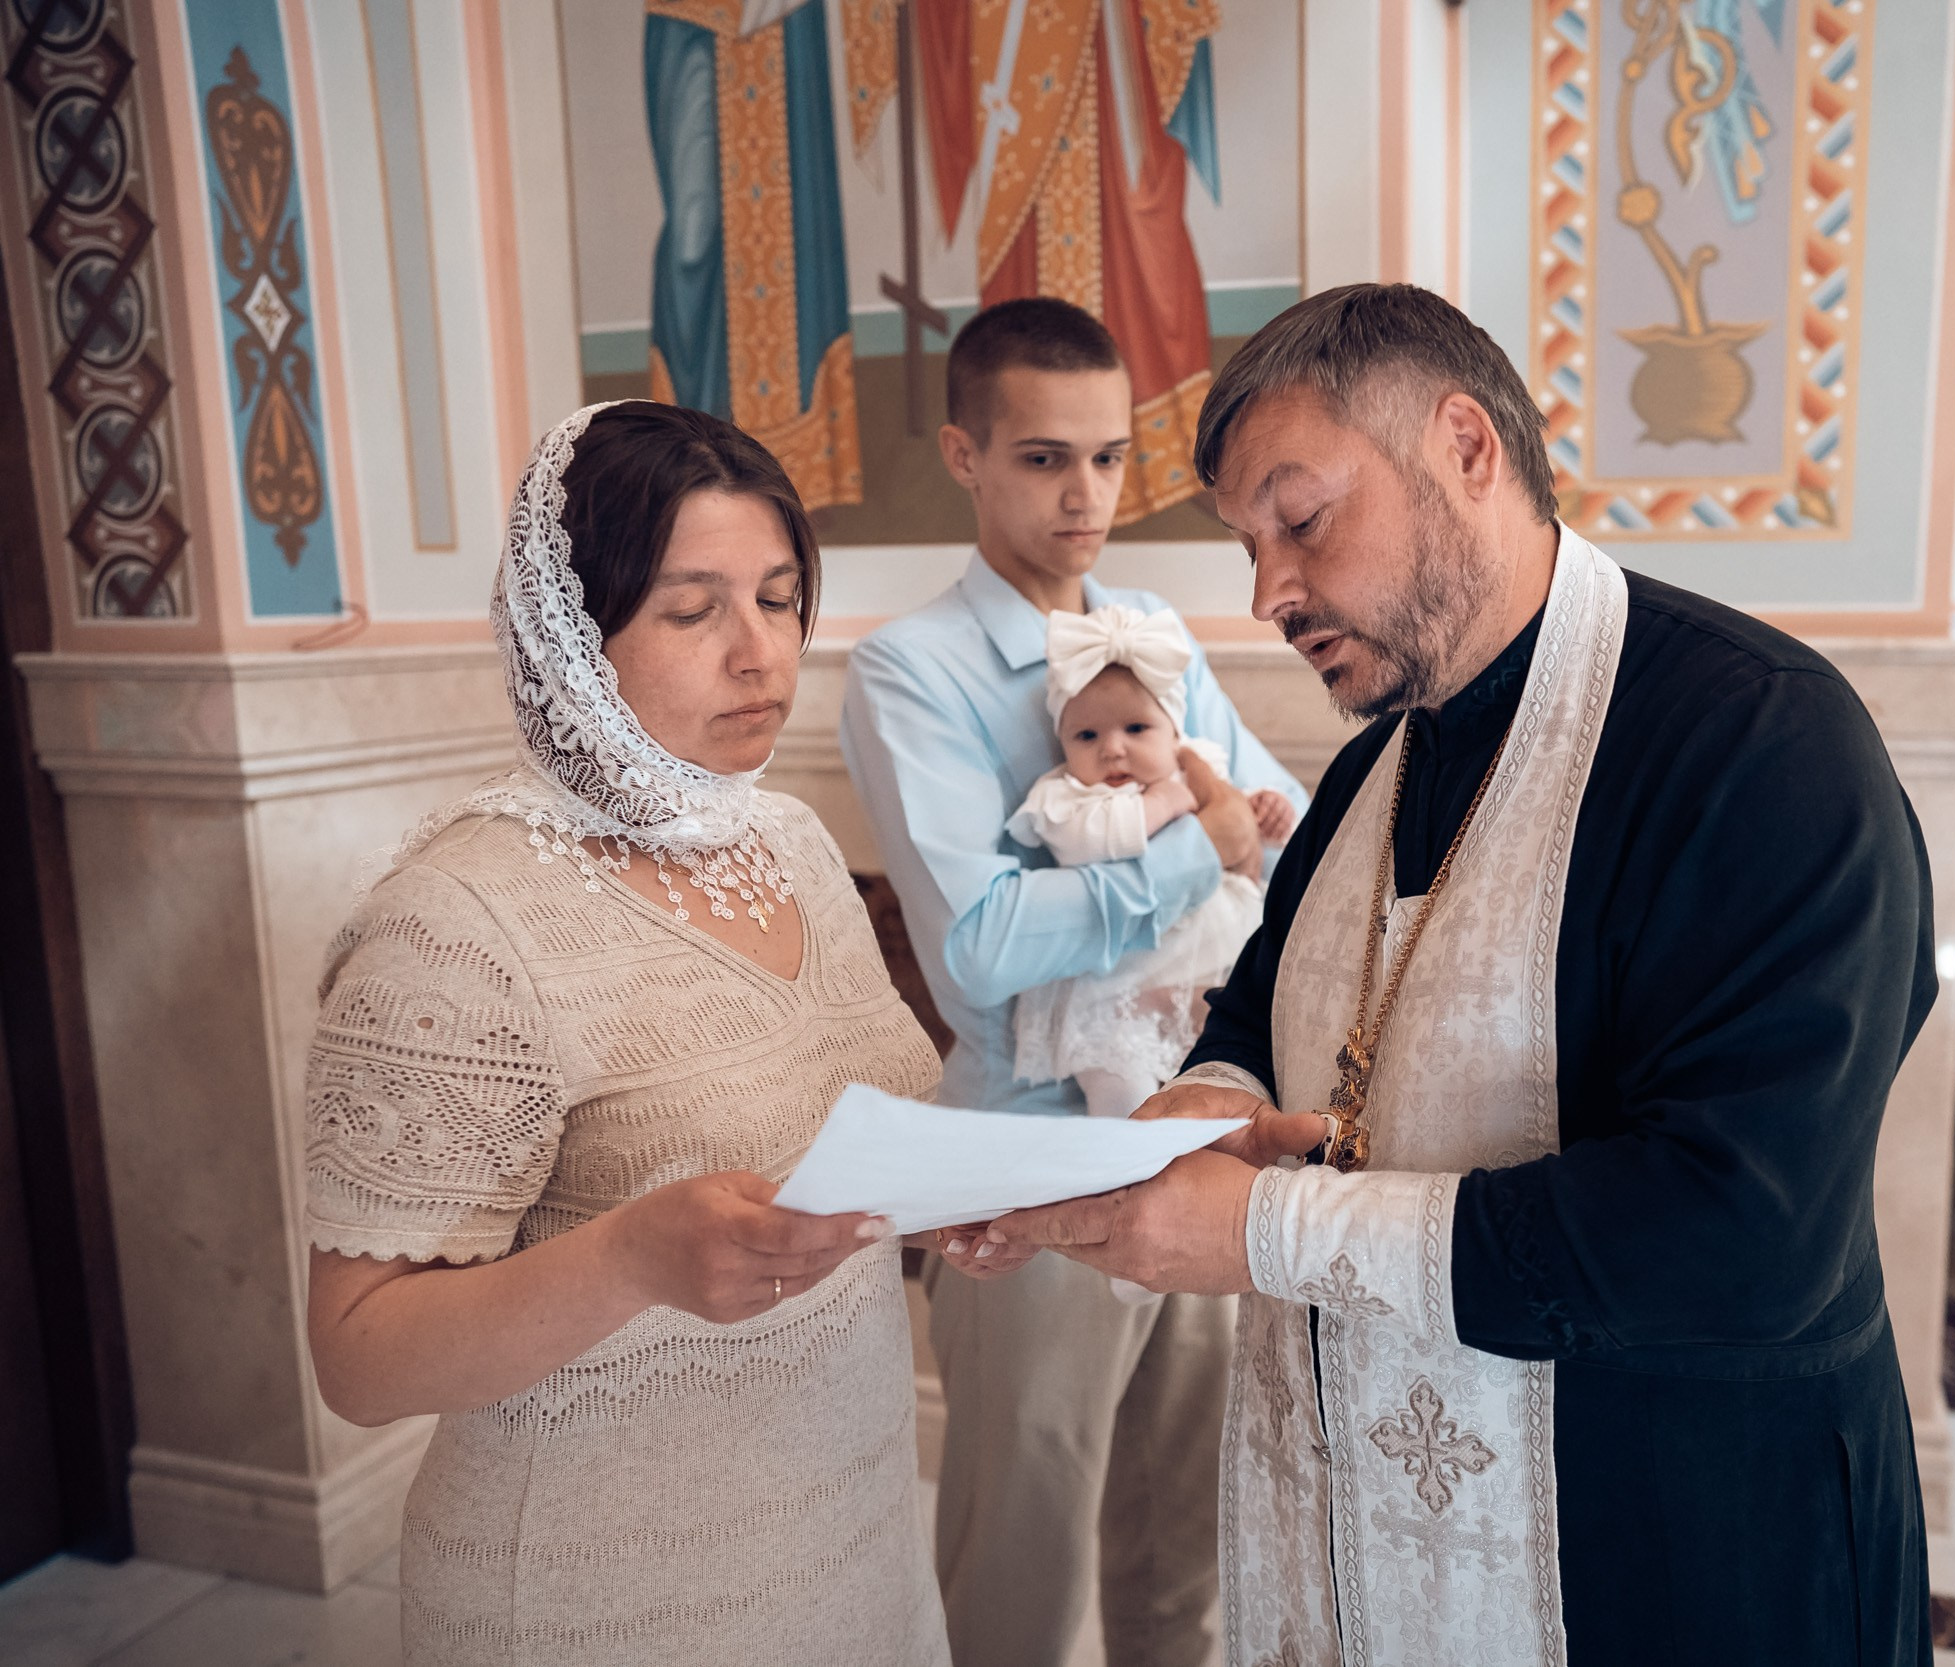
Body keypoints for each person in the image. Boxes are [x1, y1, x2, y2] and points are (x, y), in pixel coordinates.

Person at [957, 283, 1938, 1664]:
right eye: (1249, 545)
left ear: (1466, 447)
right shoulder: (1375, 766)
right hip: (1370, 1532)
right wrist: (1205, 1105)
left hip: (1676, 1542)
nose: (1269, 593)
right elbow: (1261, 1008)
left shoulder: (1758, 742)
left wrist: (1265, 1230)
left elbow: (1743, 1229)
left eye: (1300, 519)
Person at [301, 402, 947, 1665]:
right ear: (572, 636)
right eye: (692, 610)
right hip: (604, 1592)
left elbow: (841, 1139)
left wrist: (961, 1198)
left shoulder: (791, 844)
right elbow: (360, 1354)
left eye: (778, 595)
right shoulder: (457, 924)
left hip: (848, 1525)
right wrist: (628, 1260)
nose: (760, 653)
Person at [839, 297, 1308, 1667]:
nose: (1087, 493)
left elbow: (1279, 839)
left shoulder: (1156, 626)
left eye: (1109, 456)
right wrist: (1201, 853)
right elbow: (981, 944)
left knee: (1187, 1542)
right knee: (1021, 1563)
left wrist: (1225, 848)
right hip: (1022, 1160)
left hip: (1195, 1132)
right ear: (964, 453)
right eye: (1045, 457)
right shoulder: (906, 669)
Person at [1009, 603, 1295, 1122]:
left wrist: (1261, 814)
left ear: (1175, 735)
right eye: (1086, 736)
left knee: (1238, 1057)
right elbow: (1084, 844)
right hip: (1114, 976)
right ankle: (1123, 1162)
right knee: (1119, 1079)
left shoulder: (1196, 768)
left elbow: (1237, 823)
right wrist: (1160, 805)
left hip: (1203, 957)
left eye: (1136, 728)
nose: (1113, 750)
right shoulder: (1068, 797)